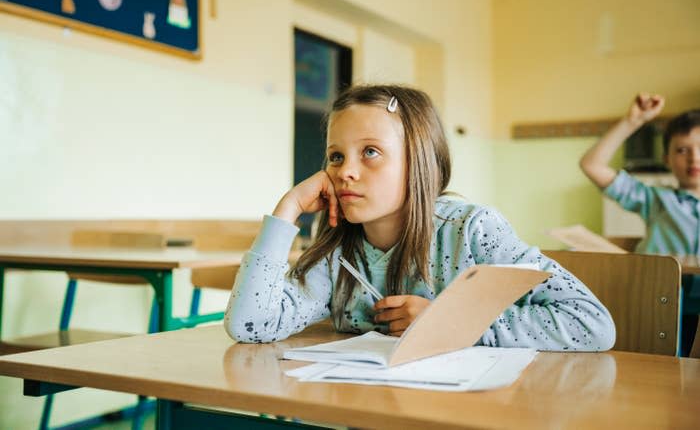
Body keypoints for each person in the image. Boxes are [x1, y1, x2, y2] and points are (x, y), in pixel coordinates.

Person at [225, 84, 615, 351]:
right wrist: (287, 209)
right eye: (336, 156)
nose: (345, 172)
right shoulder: (336, 249)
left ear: (419, 162)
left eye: (371, 152)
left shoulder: (473, 231)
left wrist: (450, 324)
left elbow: (591, 324)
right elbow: (250, 325)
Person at [579, 93, 700, 255]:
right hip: (661, 281)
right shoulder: (655, 200)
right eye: (682, 150)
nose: (694, 158)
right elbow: (591, 165)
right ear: (666, 160)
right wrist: (631, 122)